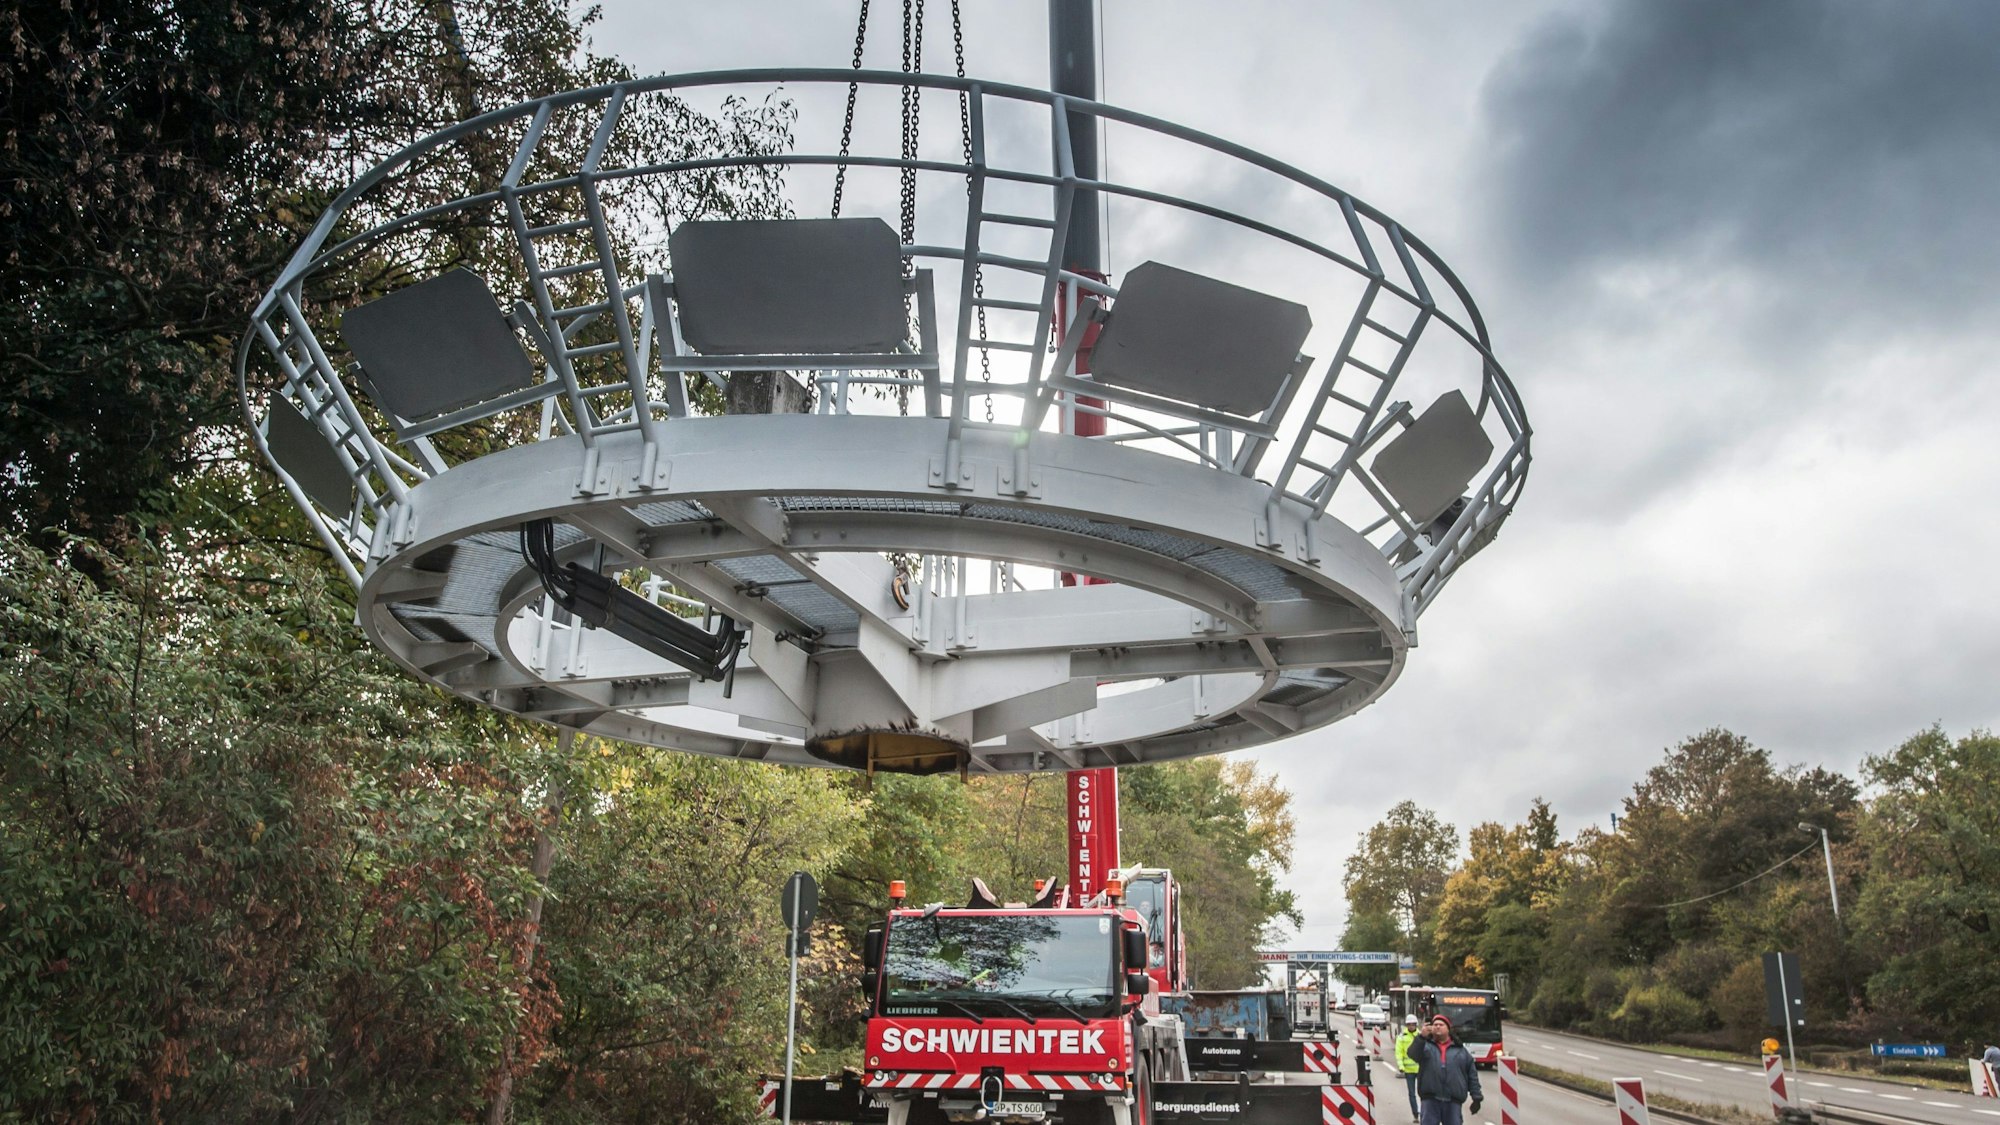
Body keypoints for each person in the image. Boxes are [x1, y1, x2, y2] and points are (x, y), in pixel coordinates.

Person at [1403, 1014, 1482, 1125]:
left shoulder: (1460, 1051)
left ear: (1448, 1029)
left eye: (1441, 1025)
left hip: (1453, 1101)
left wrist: (1476, 1097)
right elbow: (1412, 1054)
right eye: (1435, 1025)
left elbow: (1472, 1075)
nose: (1437, 1027)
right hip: (1430, 1100)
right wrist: (1421, 1037)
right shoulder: (1426, 1046)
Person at [1393, 1014, 1423, 1122]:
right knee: (1412, 1094)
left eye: (1413, 1024)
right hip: (1409, 1070)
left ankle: (1423, 1114)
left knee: (1423, 1093)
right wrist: (1401, 1066)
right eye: (1409, 1024)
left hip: (1421, 1070)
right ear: (1406, 1025)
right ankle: (1416, 1114)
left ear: (1416, 1025)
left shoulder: (1420, 1036)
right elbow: (1399, 1052)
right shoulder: (1402, 1037)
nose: (1411, 1026)